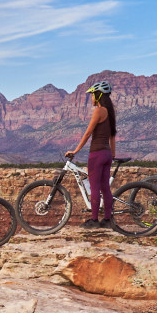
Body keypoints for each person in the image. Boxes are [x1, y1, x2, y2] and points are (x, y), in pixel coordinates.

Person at [65, 80, 117, 229]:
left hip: (97, 154)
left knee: (94, 188)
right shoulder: (110, 113)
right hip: (107, 154)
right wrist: (112, 154)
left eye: (93, 95)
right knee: (105, 188)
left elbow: (88, 133)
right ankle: (107, 220)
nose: (92, 98)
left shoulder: (99, 111)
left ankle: (94, 220)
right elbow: (112, 137)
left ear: (98, 95)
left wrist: (75, 151)